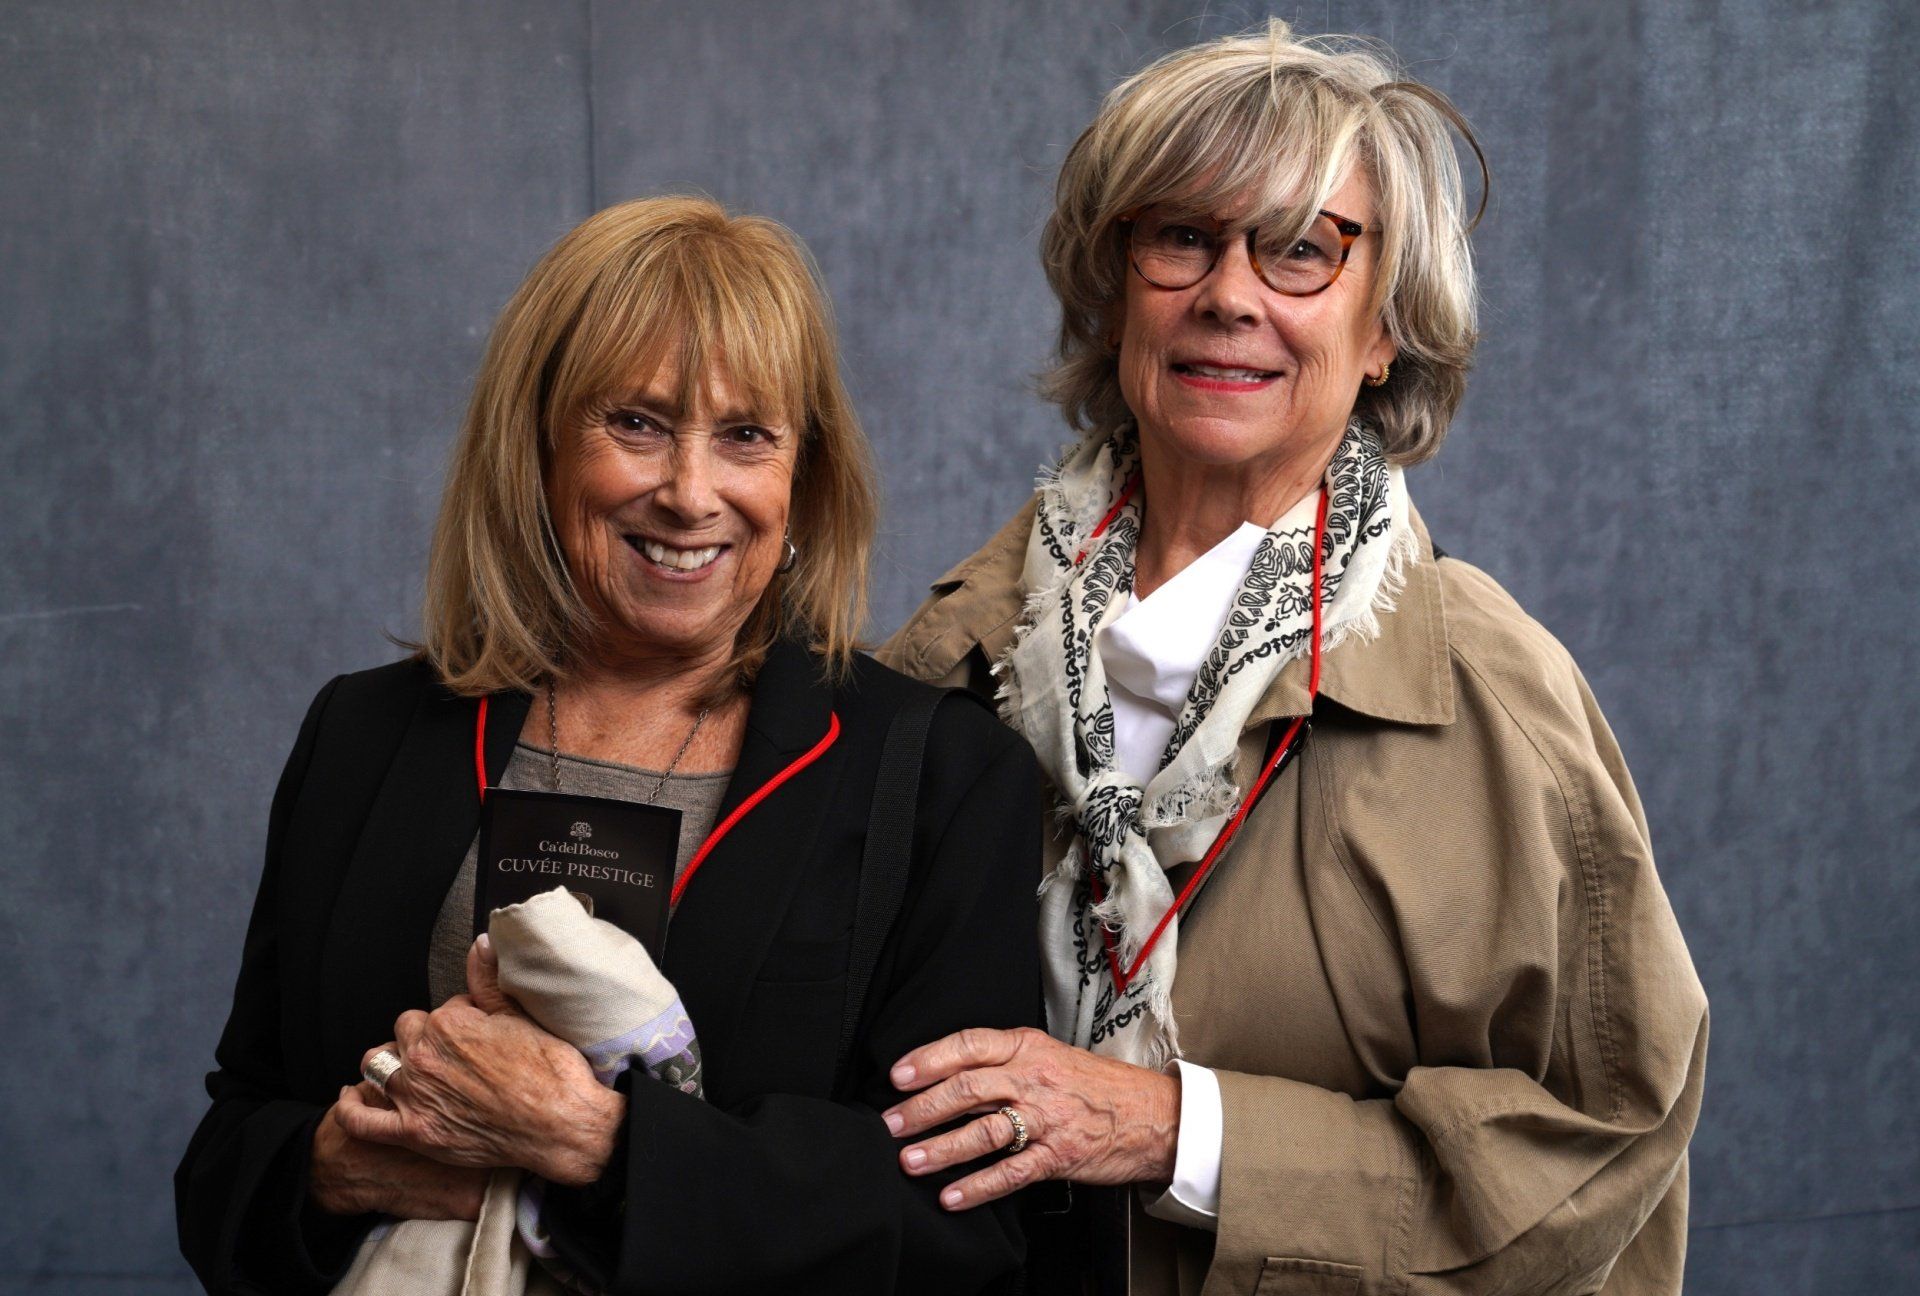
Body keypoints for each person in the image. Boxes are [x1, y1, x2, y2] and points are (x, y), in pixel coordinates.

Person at [877, 23, 1708, 1296]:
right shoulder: (951, 658)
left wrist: (1181, 1133)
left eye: (1303, 248)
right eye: (1181, 236)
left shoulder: (1490, 696)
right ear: (1115, 291)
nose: (1229, 294)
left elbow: (1606, 1143)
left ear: (1387, 327)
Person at [175, 195, 1043, 1294]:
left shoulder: (941, 780)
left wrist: (601, 1146)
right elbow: (228, 1150)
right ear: (537, 442)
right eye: (636, 423)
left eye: (746, 436)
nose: (690, 494)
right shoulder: (363, 736)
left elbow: (961, 1231)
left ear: (804, 476)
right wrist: (327, 1171)